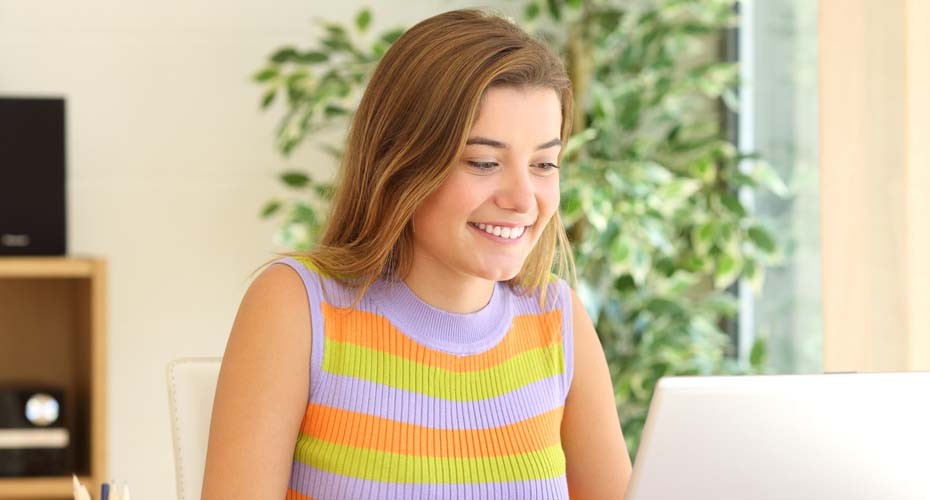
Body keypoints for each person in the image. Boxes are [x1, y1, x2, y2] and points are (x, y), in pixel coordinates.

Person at [202, 9, 631, 499]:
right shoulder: (297, 305)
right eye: (484, 162)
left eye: (544, 164)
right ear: (401, 160)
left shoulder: (557, 318)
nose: (523, 198)